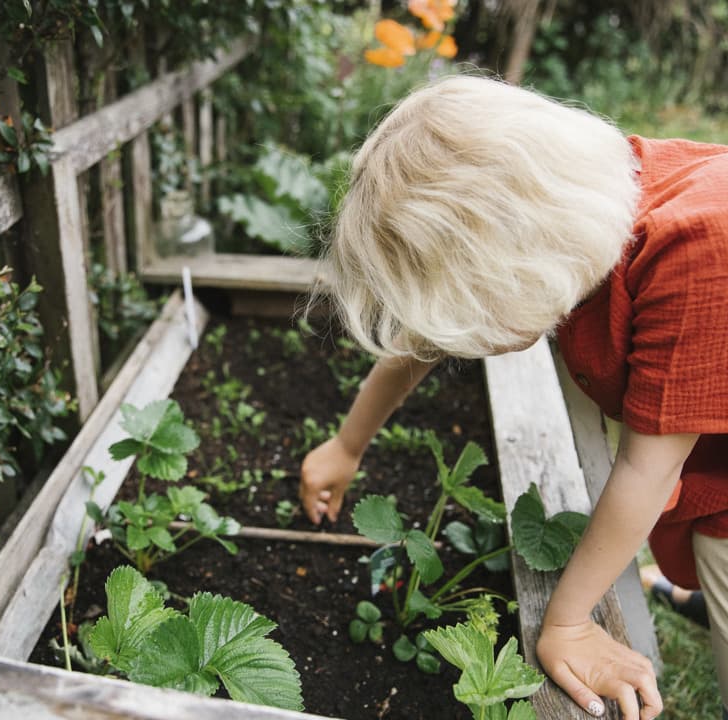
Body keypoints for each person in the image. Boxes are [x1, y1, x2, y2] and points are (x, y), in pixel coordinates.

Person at [298, 74, 728, 720]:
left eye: (469, 312)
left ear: (519, 265)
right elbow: (423, 339)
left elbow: (649, 467)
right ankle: (694, 593)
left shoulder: (698, 254)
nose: (463, 339)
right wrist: (346, 442)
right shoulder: (587, 205)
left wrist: (568, 624)